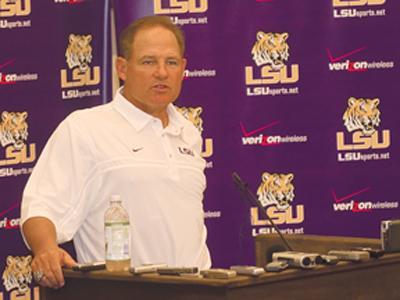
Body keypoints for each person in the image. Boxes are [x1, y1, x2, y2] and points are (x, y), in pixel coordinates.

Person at [20, 15, 211, 289]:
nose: (161, 72)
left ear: (183, 69)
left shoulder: (188, 132)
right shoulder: (86, 127)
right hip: (123, 292)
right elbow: (41, 205)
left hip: (199, 292)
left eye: (171, 62)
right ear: (122, 68)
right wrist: (46, 249)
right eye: (148, 61)